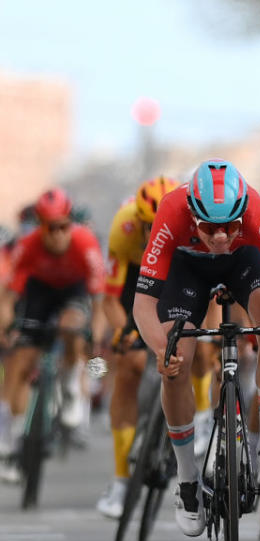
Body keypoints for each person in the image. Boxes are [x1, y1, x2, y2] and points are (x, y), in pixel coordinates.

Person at [133, 159, 260, 537]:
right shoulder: (171, 209)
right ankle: (188, 480)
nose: (219, 237)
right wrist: (162, 349)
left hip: (243, 265)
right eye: (209, 227)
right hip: (187, 268)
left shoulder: (256, 210)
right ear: (191, 212)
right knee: (178, 357)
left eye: (230, 226)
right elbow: (143, 304)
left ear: (242, 213)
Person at [0, 189, 107, 483]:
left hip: (73, 291)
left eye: (63, 226)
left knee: (72, 326)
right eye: (51, 228)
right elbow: (8, 299)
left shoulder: (86, 243)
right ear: (40, 226)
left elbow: (99, 303)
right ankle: (12, 440)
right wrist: (7, 329)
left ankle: (72, 386)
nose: (58, 234)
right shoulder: (28, 245)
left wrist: (96, 339)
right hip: (40, 292)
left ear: (70, 223)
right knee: (22, 361)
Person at [95, 176, 180, 518]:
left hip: (179, 275)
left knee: (197, 351)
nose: (153, 234)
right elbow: (112, 300)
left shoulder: (191, 230)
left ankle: (198, 429)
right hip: (136, 279)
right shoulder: (123, 230)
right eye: (148, 226)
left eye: (161, 226)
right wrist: (123, 332)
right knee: (128, 366)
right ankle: (120, 479)